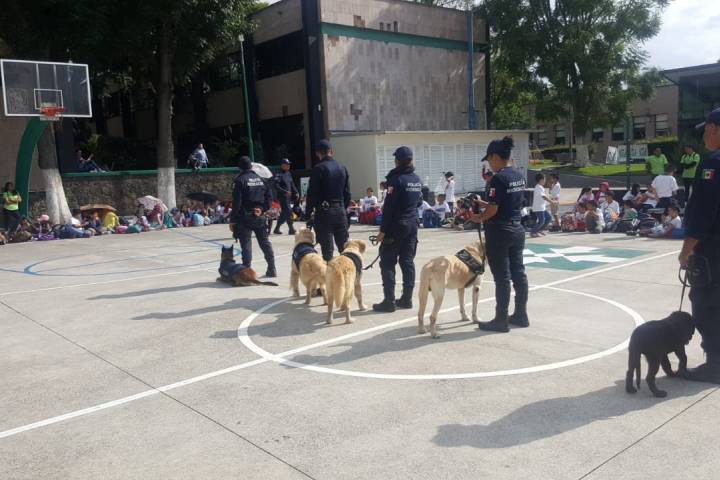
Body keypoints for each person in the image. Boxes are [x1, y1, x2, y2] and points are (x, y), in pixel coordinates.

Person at [470, 136, 529, 332]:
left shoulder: (498, 178)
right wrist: (485, 204)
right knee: (518, 273)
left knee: (502, 277)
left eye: (489, 159)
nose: (489, 164)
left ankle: (500, 319)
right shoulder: (518, 175)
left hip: (500, 231)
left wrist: (479, 217)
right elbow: (506, 203)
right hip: (517, 228)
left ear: (495, 156)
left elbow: (494, 210)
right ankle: (521, 314)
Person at [679, 107, 720, 383]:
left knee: (706, 304)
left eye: (706, 130)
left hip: (713, 250)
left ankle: (715, 364)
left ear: (714, 129)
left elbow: (703, 214)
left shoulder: (712, 166)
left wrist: (686, 250)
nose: (704, 135)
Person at [373, 146, 423, 312]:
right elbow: (419, 202)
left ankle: (389, 301)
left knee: (387, 262)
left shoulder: (396, 180)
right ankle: (407, 299)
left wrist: (382, 231)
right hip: (412, 224)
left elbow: (389, 208)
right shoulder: (416, 179)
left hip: (396, 226)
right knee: (407, 262)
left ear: (397, 161)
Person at [305, 139, 351, 261]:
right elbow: (347, 193)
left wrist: (308, 213)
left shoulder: (318, 168)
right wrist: (343, 208)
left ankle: (329, 272)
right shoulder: (342, 168)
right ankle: (348, 271)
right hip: (340, 211)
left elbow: (312, 193)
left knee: (327, 251)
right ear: (331, 151)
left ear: (318, 153)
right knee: (344, 248)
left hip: (324, 212)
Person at [230, 155, 276, 277]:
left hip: (245, 217)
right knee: (265, 243)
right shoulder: (262, 179)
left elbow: (237, 203)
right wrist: (262, 209)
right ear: (251, 166)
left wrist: (233, 220)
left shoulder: (239, 181)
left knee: (246, 244)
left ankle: (247, 272)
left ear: (240, 167)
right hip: (259, 216)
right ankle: (272, 268)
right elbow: (270, 198)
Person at [273, 158, 298, 235]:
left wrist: (296, 192)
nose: (288, 166)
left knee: (284, 213)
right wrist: (285, 192)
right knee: (288, 211)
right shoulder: (278, 174)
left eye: (289, 164)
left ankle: (276, 228)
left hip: (288, 196)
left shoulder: (288, 173)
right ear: (282, 165)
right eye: (287, 164)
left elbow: (292, 184)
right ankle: (291, 229)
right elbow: (276, 186)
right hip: (282, 196)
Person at [530, 173, 554, 238]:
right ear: (541, 180)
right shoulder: (538, 187)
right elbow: (543, 196)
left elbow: (544, 196)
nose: (545, 181)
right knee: (541, 221)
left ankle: (540, 230)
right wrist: (551, 201)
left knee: (549, 218)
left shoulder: (541, 187)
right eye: (544, 179)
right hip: (538, 208)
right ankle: (533, 232)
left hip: (542, 207)